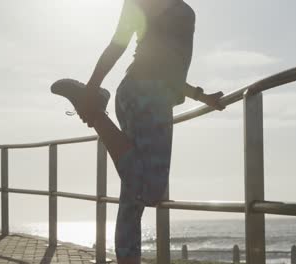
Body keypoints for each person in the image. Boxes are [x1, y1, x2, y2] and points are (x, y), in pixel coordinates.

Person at [51, 0, 225, 263]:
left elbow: (128, 50)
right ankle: (96, 112)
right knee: (150, 190)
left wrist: (200, 95)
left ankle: (127, 260)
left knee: (132, 196)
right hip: (151, 99)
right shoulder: (183, 11)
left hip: (131, 93)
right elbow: (166, 68)